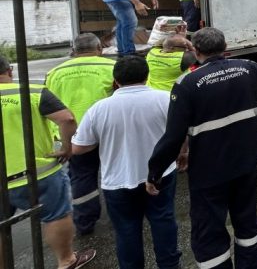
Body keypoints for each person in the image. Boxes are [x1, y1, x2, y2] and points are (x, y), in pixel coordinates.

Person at [147, 27, 257, 269]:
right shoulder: (248, 68)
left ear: (195, 50)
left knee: (209, 231)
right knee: (246, 220)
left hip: (209, 170)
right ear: (225, 47)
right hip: (246, 161)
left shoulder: (187, 83)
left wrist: (155, 172)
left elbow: (173, 137)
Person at [71, 56, 182, 269]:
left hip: (117, 181)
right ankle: (169, 265)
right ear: (147, 75)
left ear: (115, 80)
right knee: (163, 221)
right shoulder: (165, 99)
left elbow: (79, 147)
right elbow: (180, 133)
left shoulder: (99, 109)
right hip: (161, 175)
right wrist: (182, 152)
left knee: (126, 230)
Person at [0, 55, 96, 269]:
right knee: (56, 215)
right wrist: (66, 148)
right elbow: (67, 118)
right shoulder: (31, 91)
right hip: (36, 172)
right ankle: (66, 260)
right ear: (10, 70)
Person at [44, 34, 116, 236]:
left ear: (73, 51)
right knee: (116, 172)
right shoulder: (110, 67)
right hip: (106, 132)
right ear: (99, 49)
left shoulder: (54, 73)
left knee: (82, 177)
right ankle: (121, 214)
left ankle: (85, 222)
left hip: (73, 135)